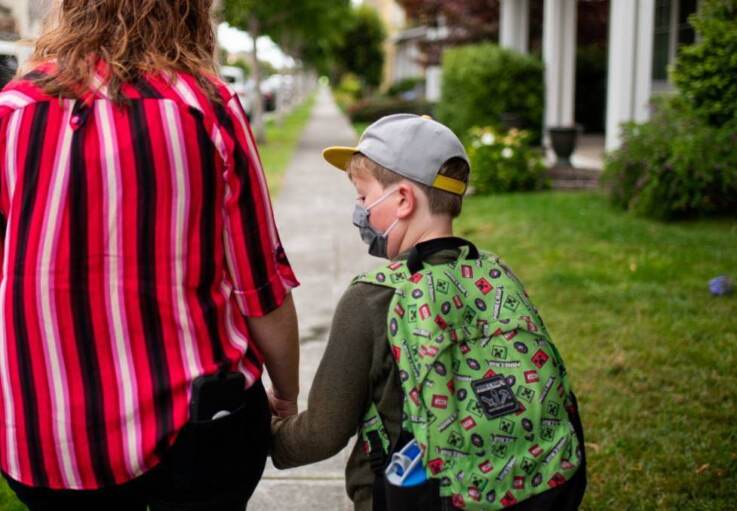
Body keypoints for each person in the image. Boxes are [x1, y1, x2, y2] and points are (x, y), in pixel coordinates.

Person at [0, 1, 300, 510]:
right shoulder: (206, 106)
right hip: (195, 427)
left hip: (46, 439)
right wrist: (287, 393)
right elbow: (259, 285)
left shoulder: (11, 110)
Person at [270, 114, 587, 510]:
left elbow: (322, 433)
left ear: (402, 199)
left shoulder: (372, 299)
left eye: (363, 196)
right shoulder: (497, 275)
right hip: (528, 491)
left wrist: (265, 438)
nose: (359, 209)